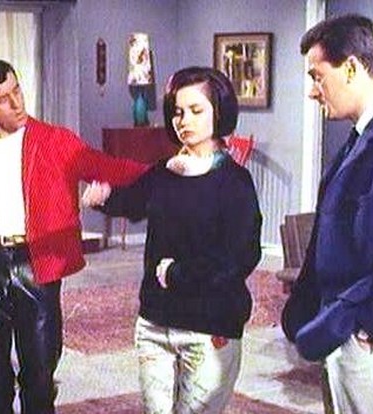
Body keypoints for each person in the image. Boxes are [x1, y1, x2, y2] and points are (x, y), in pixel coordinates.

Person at [0, 58, 147, 413]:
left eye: (17, 90)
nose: (17, 103)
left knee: (39, 373)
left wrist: (168, 172)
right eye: (2, 99)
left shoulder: (55, 140)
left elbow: (108, 167)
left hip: (35, 262)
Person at [82, 66, 262, 413]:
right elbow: (134, 201)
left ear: (219, 113)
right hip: (155, 324)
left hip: (208, 327)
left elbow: (240, 257)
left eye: (196, 110)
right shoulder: (164, 171)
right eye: (178, 112)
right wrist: (104, 197)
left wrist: (177, 273)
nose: (184, 121)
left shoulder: (235, 183)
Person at [281, 14, 373, 414]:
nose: (312, 91)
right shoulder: (366, 136)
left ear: (350, 68)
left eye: (318, 77)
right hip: (344, 328)